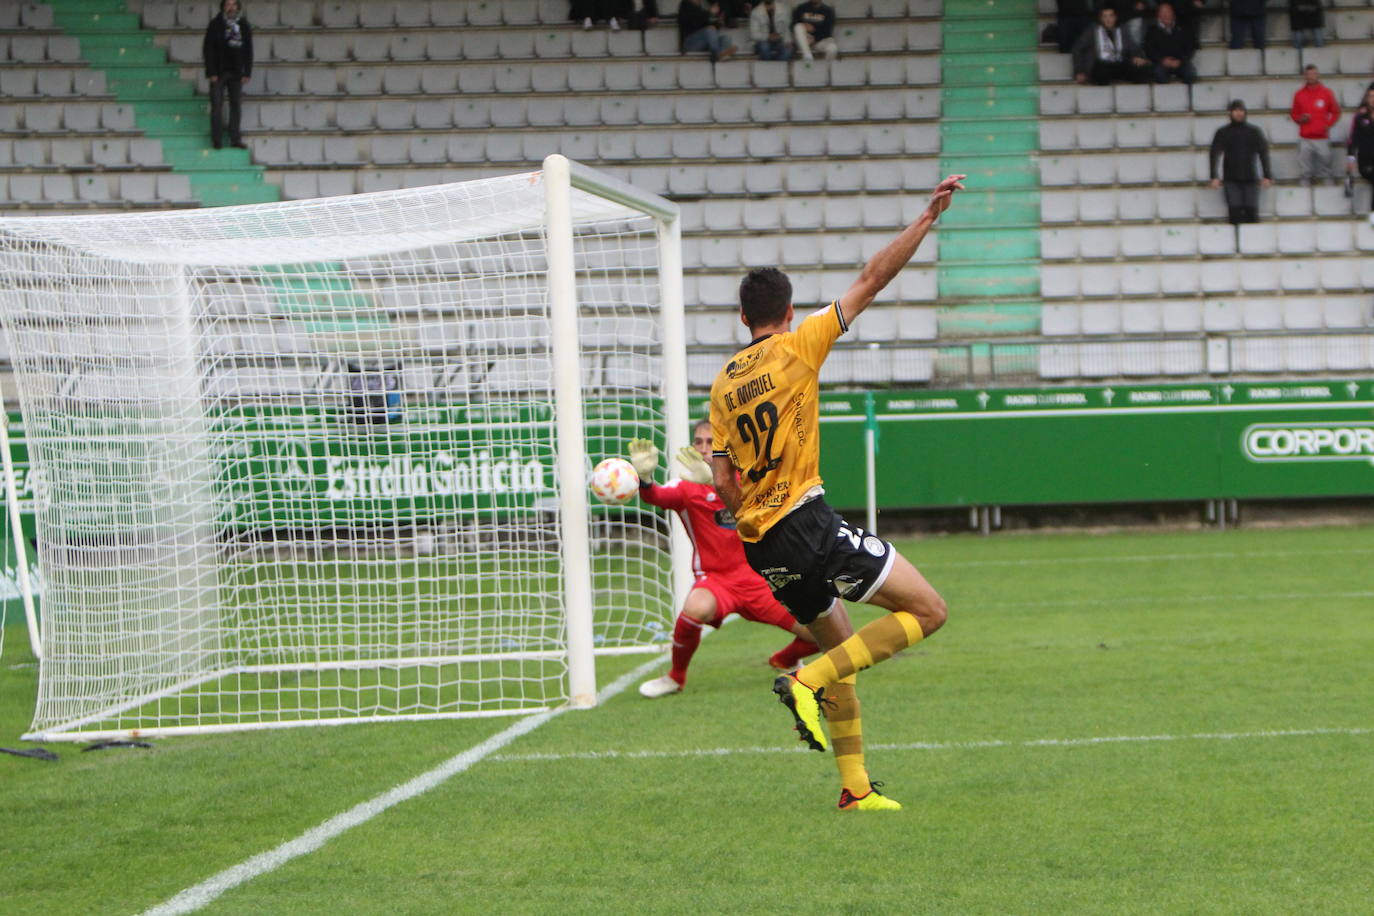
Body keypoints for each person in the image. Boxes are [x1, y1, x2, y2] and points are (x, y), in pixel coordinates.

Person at [708, 174, 965, 812]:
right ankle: (808, 679)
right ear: (788, 312)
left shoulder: (720, 385)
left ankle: (854, 787)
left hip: (761, 546)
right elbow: (873, 278)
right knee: (929, 613)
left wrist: (747, 515)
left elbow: (722, 481)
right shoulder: (800, 345)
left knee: (842, 648)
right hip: (807, 523)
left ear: (742, 317)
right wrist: (926, 219)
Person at [628, 424, 819, 699]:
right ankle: (675, 677)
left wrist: (715, 484)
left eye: (710, 442)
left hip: (760, 579)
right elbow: (656, 496)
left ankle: (784, 660)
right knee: (695, 607)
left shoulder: (750, 479)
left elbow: (763, 512)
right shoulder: (685, 486)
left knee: (820, 632)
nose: (704, 447)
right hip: (717, 581)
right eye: (698, 442)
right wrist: (645, 479)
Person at [1209, 99, 1272, 224]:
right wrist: (1214, 176)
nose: (1238, 113)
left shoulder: (1254, 131)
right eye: (1235, 110)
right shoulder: (1223, 132)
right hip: (1231, 179)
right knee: (1234, 214)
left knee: (1252, 213)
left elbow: (1264, 153)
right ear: (1230, 113)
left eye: (1241, 110)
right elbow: (1214, 154)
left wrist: (1267, 175)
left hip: (1251, 179)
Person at [203, 0, 252, 150]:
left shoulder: (243, 25)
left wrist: (247, 71)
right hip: (218, 72)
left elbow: (248, 49)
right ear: (223, 7)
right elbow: (208, 49)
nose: (231, 8)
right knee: (217, 106)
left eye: (234, 5)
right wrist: (211, 71)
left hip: (236, 72)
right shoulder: (215, 24)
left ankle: (235, 139)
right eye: (228, 5)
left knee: (236, 105)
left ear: (238, 7)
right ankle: (217, 140)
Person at [1072, 7, 1151, 85]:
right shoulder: (1092, 31)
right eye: (1105, 16)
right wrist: (1080, 71)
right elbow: (1078, 48)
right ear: (1100, 18)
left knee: (1142, 71)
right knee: (1102, 71)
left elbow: (1133, 47)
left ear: (1115, 17)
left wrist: (1137, 56)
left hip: (1118, 64)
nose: (1108, 19)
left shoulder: (1122, 31)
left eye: (1111, 16)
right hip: (1100, 66)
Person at [1291, 64, 1341, 185]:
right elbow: (1294, 114)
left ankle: (1329, 190)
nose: (1311, 76)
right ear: (1305, 76)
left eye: (1313, 73)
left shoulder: (1326, 93)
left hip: (1322, 137)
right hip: (1305, 137)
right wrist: (1300, 119)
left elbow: (1335, 112)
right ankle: (1304, 193)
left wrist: (1328, 125)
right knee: (1304, 171)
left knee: (1327, 168)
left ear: (1318, 75)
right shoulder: (1299, 94)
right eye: (1308, 74)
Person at [1146, 3, 1197, 84]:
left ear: (1173, 14)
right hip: (1162, 63)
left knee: (1190, 73)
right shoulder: (1152, 30)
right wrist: (1162, 60)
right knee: (1159, 74)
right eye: (1162, 12)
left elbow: (1190, 47)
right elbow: (1149, 49)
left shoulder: (1183, 29)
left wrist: (1180, 60)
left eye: (1168, 12)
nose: (1165, 15)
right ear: (1158, 15)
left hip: (1180, 62)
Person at [1345, 87, 1374, 209]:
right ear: (1367, 99)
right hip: (1366, 163)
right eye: (1371, 96)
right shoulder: (1360, 118)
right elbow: (1353, 140)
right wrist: (1351, 159)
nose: (1373, 99)